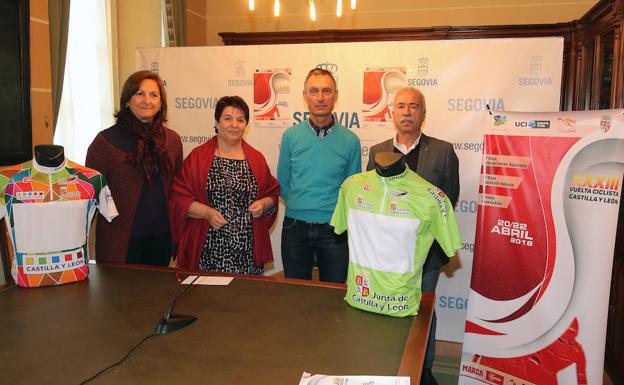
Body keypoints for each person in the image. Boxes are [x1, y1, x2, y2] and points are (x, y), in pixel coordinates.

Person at [366, 87, 460, 385]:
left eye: (414, 107)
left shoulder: (443, 151)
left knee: (423, 312)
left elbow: (449, 199)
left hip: (426, 254)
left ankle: (425, 368)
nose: (407, 112)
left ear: (423, 114)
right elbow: (370, 198)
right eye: (401, 107)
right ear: (392, 112)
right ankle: (388, 363)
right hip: (386, 254)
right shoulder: (377, 150)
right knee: (385, 310)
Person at [168, 96, 279, 275]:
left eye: (240, 120)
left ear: (246, 125)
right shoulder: (198, 157)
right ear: (217, 122)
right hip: (208, 249)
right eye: (228, 118)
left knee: (245, 300)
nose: (234, 124)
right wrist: (207, 213)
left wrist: (264, 204)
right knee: (208, 301)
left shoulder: (257, 159)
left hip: (247, 252)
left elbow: (273, 195)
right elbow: (178, 199)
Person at [86, 70, 182, 266]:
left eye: (154, 95)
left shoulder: (172, 140)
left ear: (161, 103)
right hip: (120, 242)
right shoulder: (105, 142)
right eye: (139, 93)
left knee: (157, 297)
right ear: (127, 100)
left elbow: (178, 189)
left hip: (162, 239)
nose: (147, 100)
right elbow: (90, 196)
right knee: (120, 297)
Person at [277, 68, 361, 283]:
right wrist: (301, 205)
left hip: (334, 229)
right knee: (297, 296)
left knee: (332, 300)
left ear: (336, 95)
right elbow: (283, 182)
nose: (320, 98)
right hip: (295, 227)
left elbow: (352, 188)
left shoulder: (350, 141)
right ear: (305, 96)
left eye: (327, 91)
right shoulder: (291, 137)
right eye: (314, 91)